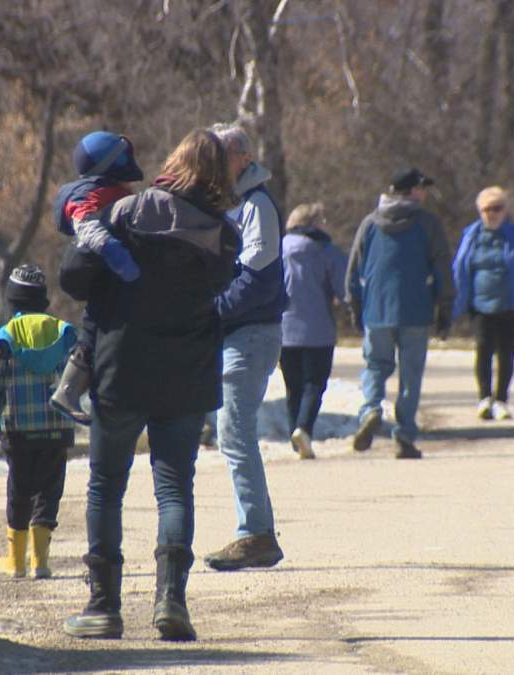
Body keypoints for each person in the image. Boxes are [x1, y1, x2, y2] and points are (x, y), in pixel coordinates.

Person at [59, 128, 239, 641]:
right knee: (173, 488)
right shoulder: (223, 233)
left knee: (105, 485)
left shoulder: (127, 212)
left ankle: (103, 607)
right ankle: (170, 601)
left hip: (122, 367)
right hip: (187, 372)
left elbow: (74, 276)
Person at [203, 122, 288, 572]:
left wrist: (211, 311)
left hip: (251, 335)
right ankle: (254, 529)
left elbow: (255, 278)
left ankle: (255, 533)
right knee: (231, 433)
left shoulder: (257, 205)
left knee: (235, 433)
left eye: (219, 158)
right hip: (239, 335)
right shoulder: (234, 205)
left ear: (241, 159)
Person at [345, 167, 454, 459]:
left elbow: (354, 271)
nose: (425, 194)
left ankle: (370, 409)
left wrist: (355, 307)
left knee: (375, 365)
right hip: (416, 310)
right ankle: (404, 436)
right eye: (422, 189)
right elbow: (442, 267)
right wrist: (445, 308)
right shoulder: (428, 223)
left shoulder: (370, 223)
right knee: (410, 374)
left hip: (376, 309)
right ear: (411, 192)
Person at [0, 265, 78, 580]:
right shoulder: (65, 333)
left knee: (19, 489)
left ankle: (16, 561)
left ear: (12, 301)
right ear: (44, 299)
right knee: (50, 490)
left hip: (18, 427)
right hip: (57, 425)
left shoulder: (4, 337)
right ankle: (41, 562)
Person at [49, 131, 144, 425]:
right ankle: (67, 391)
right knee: (94, 325)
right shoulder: (87, 196)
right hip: (102, 266)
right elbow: (88, 229)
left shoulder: (104, 190)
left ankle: (70, 390)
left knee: (94, 321)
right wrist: (121, 259)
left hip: (101, 271)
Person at [451, 186, 514, 421]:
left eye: (497, 209)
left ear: (505, 211)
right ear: (480, 211)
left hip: (511, 303)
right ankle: (484, 398)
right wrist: (457, 299)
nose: (492, 214)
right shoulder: (471, 235)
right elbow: (459, 268)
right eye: (487, 209)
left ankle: (501, 399)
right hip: (480, 304)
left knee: (506, 352)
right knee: (483, 350)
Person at [278, 202, 348, 460]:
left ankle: (295, 437)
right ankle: (304, 429)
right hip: (318, 329)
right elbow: (343, 289)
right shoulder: (326, 251)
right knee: (314, 384)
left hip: (283, 329)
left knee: (292, 386)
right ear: (312, 224)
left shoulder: (277, 249)